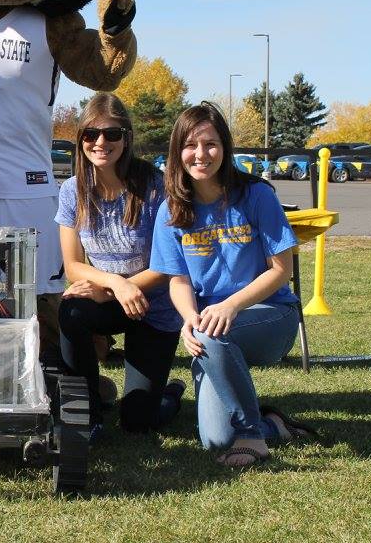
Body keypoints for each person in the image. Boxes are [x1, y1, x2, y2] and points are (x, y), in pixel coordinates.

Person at [150, 102, 319, 467]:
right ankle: (272, 424)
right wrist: (189, 318)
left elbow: (280, 270)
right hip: (210, 326)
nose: (201, 154)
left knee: (212, 334)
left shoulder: (257, 195)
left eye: (210, 144)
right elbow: (177, 280)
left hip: (270, 315)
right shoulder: (171, 211)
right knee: (215, 439)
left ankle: (252, 435)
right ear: (178, 152)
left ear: (225, 148)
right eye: (191, 145)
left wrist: (231, 306)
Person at [56, 93, 185, 443]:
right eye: (91, 134)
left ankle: (170, 394)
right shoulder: (72, 190)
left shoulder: (156, 187)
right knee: (71, 309)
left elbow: (167, 266)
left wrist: (127, 287)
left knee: (138, 422)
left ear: (126, 138)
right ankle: (88, 415)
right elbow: (72, 266)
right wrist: (114, 284)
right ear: (81, 138)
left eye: (112, 134)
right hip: (111, 298)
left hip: (153, 306)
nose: (101, 143)